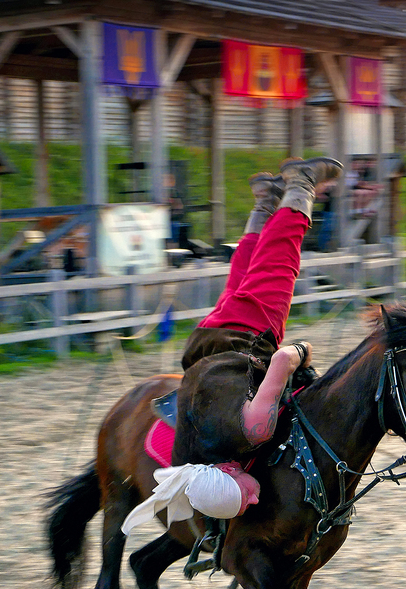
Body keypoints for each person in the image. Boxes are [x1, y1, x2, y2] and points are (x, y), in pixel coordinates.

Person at [122, 156, 343, 533]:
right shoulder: (189, 460)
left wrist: (304, 351)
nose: (252, 501)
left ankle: (301, 182)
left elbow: (284, 359)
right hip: (203, 345)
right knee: (244, 272)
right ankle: (265, 199)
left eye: (243, 495)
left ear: (227, 470)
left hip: (247, 335)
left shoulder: (252, 430)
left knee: (279, 261)